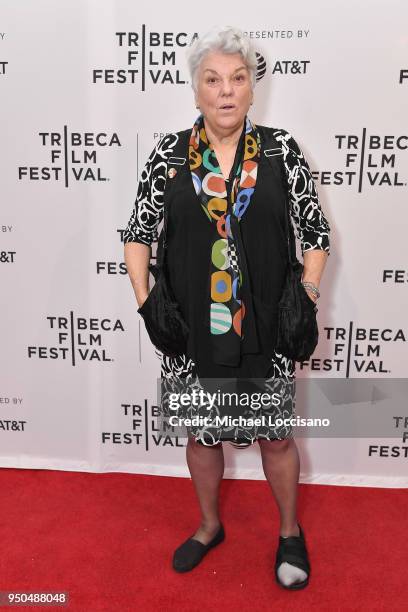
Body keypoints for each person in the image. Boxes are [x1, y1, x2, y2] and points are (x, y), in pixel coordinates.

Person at [123, 25, 330, 589]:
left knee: (277, 437)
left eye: (237, 78)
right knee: (201, 435)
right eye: (212, 80)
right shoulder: (168, 154)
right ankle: (210, 525)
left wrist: (306, 297)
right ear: (195, 90)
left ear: (252, 88)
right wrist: (148, 306)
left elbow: (315, 235)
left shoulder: (283, 150)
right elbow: (137, 236)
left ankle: (289, 532)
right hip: (191, 328)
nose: (226, 91)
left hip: (268, 323)